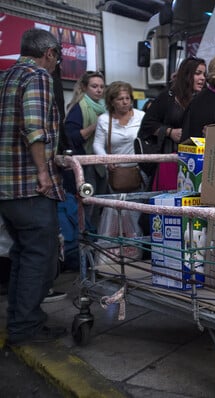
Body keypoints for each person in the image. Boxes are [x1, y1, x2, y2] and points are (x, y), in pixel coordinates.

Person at [0, 28, 68, 345]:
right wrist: (43, 173)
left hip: (6, 188)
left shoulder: (4, 78)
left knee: (22, 254)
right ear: (50, 53)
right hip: (30, 187)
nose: (56, 65)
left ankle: (21, 320)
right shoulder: (37, 76)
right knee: (39, 256)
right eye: (58, 58)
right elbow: (34, 128)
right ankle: (24, 327)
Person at [137, 57, 206, 190]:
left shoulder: (204, 99)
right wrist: (169, 132)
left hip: (197, 160)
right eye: (197, 73)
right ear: (186, 75)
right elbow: (147, 124)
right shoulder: (167, 97)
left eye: (204, 74)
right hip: (171, 160)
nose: (202, 78)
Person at [64, 71, 106, 219]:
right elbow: (71, 137)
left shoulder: (102, 107)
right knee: (88, 203)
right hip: (85, 164)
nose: (99, 90)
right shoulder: (78, 108)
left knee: (99, 205)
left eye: (101, 86)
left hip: (100, 162)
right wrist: (97, 125)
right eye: (94, 86)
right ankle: (86, 237)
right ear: (84, 87)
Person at [93, 81, 145, 191]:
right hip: (116, 172)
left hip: (139, 170)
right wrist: (107, 160)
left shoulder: (141, 116)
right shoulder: (104, 119)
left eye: (127, 98)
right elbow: (97, 144)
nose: (125, 102)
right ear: (111, 102)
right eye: (120, 99)